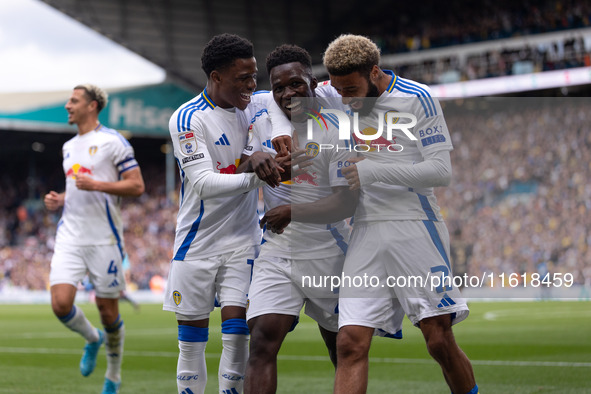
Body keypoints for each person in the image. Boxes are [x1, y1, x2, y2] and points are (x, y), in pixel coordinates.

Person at [315, 34, 478, 394]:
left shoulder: (417, 98)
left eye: (352, 89)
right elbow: (284, 89)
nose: (346, 99)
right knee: (350, 342)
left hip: (415, 227)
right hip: (366, 232)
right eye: (339, 90)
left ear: (374, 72)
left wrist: (373, 170)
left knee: (438, 339)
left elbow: (441, 171)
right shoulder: (337, 91)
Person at [163, 33, 288, 394]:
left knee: (237, 338)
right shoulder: (187, 118)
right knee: (191, 343)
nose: (251, 85)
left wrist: (276, 137)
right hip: (196, 243)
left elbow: (281, 102)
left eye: (253, 76)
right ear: (216, 77)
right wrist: (260, 173)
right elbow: (202, 183)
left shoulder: (253, 102)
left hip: (243, 241)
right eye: (242, 77)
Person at [239, 44, 358, 394]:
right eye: (278, 88)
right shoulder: (261, 113)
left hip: (329, 247)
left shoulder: (336, 126)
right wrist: (257, 157)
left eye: (295, 84)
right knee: (261, 341)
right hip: (278, 249)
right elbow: (242, 167)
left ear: (314, 82)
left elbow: (347, 202)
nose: (287, 93)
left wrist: (292, 211)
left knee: (341, 347)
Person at [44, 83, 145, 394]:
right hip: (70, 236)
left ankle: (113, 375)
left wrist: (98, 186)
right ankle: (93, 338)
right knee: (61, 304)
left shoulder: (113, 142)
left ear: (91, 105)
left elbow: (136, 186)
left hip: (104, 239)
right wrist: (61, 198)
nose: (67, 106)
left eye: (73, 100)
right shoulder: (68, 147)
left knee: (108, 311)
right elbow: (79, 187)